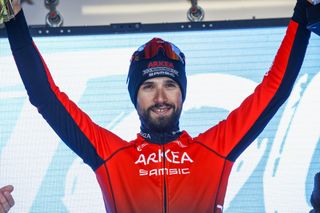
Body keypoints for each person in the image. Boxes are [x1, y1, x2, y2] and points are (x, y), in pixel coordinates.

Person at [4, 0, 315, 212]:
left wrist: (305, 9)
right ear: (134, 97)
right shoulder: (111, 156)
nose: (161, 97)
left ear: (182, 93)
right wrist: (14, 18)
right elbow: (45, 97)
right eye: (148, 86)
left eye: (170, 85)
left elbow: (276, 88)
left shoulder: (214, 149)